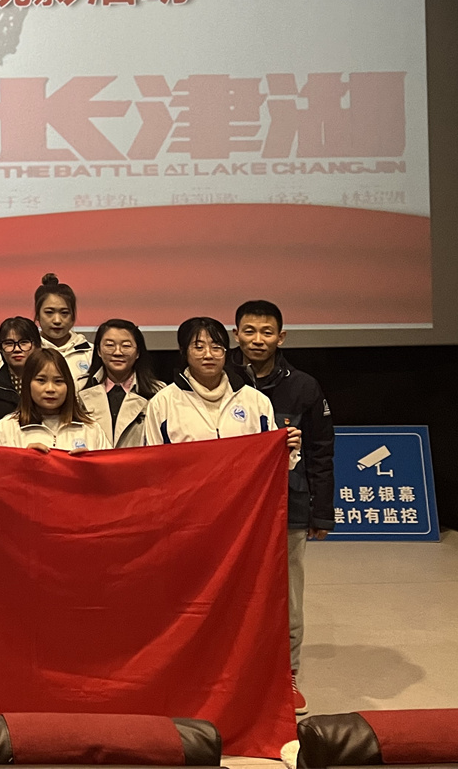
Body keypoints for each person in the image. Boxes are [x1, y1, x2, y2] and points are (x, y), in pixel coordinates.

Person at [229, 299, 335, 715]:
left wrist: (321, 512)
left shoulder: (304, 386)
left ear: (281, 337)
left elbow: (321, 451)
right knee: (230, 592)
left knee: (288, 596)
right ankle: (232, 672)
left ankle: (286, 675)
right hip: (231, 510)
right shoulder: (218, 377)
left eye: (267, 332)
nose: (258, 339)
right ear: (236, 334)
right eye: (249, 331)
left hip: (289, 505)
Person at [143, 317, 303, 465]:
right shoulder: (163, 402)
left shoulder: (255, 400)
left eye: (216, 347)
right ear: (184, 351)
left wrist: (288, 450)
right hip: (188, 487)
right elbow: (153, 463)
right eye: (199, 347)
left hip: (242, 487)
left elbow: (273, 462)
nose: (208, 355)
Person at [0, 346, 110, 453]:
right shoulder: (6, 429)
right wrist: (23, 460)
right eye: (41, 380)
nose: (50, 389)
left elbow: (108, 469)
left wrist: (89, 464)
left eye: (58, 381)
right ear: (27, 384)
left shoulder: (91, 429)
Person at [79, 319, 164, 448]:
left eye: (126, 346)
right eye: (109, 345)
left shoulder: (158, 392)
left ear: (138, 353)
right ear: (98, 351)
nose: (117, 352)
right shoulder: (79, 388)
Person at [0, 317, 42, 424]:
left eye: (24, 342)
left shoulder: (50, 383)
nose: (17, 349)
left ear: (38, 346)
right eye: (9, 343)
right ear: (1, 348)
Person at [34, 273, 95, 390]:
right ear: (37, 315)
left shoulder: (91, 353)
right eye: (49, 312)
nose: (57, 320)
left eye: (64, 313)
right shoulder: (30, 351)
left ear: (73, 316)